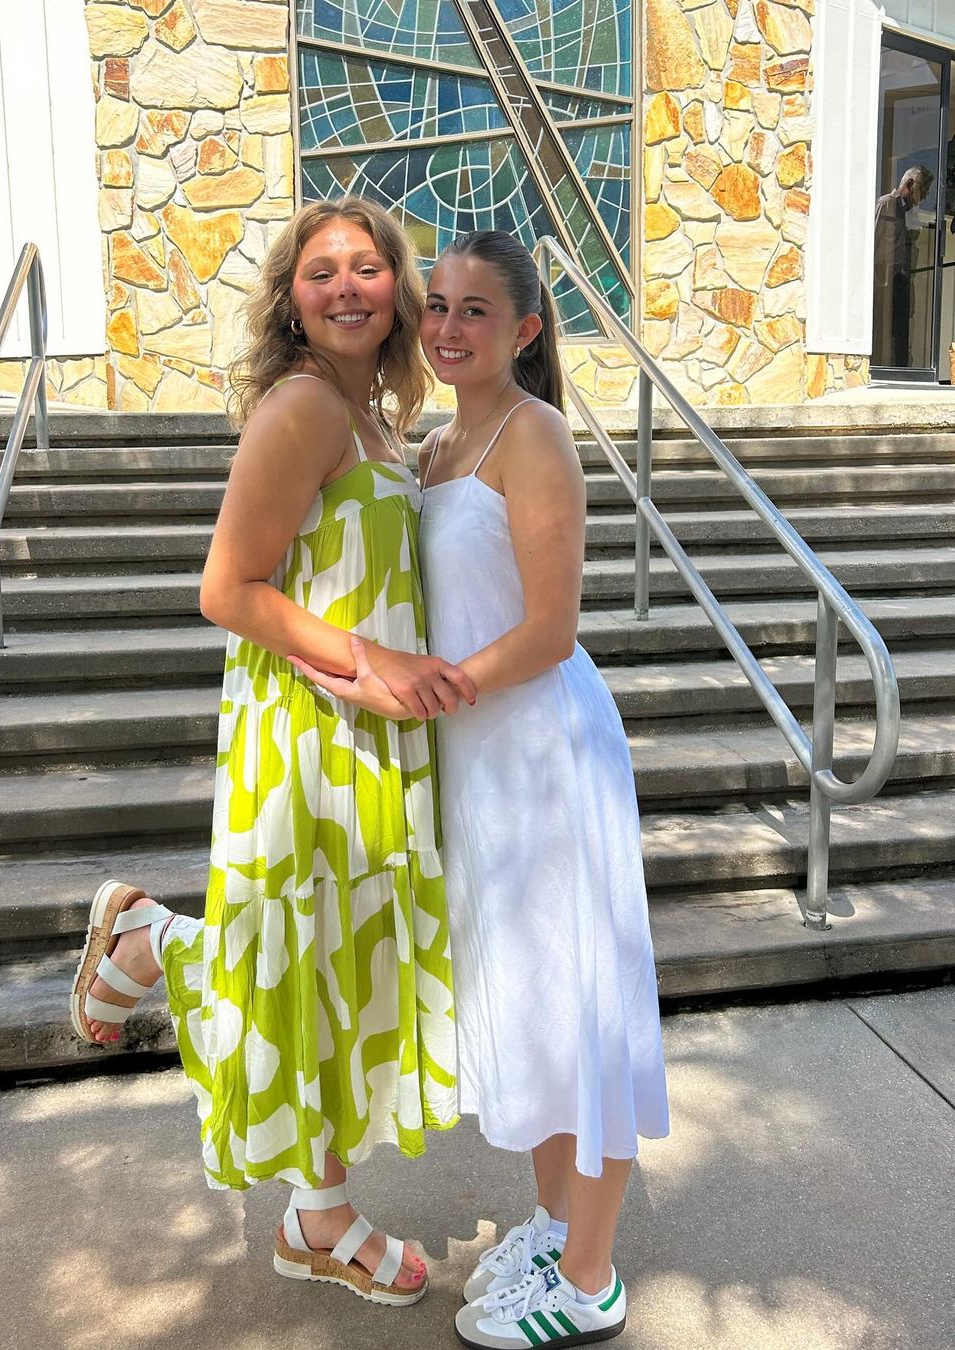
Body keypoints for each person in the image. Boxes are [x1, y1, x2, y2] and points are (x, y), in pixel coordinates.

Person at [69, 195, 475, 1307]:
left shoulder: (373, 418)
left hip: (368, 723)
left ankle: (155, 946)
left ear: (399, 289)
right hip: (306, 726)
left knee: (335, 962)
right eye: (319, 271)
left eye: (367, 267)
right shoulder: (303, 408)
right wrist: (372, 662)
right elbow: (226, 588)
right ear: (292, 302)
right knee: (298, 960)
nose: (346, 286)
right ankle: (316, 1210)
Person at [295, 231, 670, 1347]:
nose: (448, 328)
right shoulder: (437, 444)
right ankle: (558, 1228)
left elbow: (550, 630)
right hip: (478, 765)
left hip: (542, 756)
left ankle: (591, 1279)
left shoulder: (533, 432)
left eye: (476, 311)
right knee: (538, 1010)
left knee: (582, 1014)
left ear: (526, 329)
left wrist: (415, 692)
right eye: (440, 306)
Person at [873, 163, 934, 368]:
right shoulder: (886, 204)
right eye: (923, 190)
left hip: (902, 283)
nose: (924, 197)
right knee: (883, 333)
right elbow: (872, 244)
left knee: (902, 337)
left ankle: (901, 370)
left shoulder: (910, 215)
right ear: (909, 184)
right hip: (884, 282)